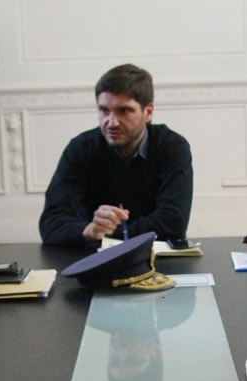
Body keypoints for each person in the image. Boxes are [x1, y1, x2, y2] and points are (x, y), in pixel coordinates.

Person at [39, 64, 193, 247]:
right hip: (94, 262)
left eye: (124, 111)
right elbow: (50, 225)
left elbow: (173, 223)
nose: (111, 123)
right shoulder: (81, 148)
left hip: (157, 260)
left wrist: (106, 235)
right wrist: (89, 230)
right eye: (104, 110)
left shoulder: (172, 147)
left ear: (148, 112)